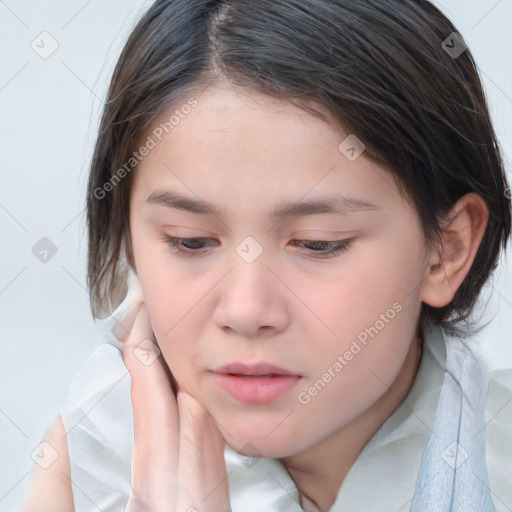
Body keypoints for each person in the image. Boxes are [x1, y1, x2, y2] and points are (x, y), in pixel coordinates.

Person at [20, 0, 512, 511]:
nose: (246, 310)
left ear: (447, 251)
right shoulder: (91, 469)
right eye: (189, 240)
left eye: (319, 244)